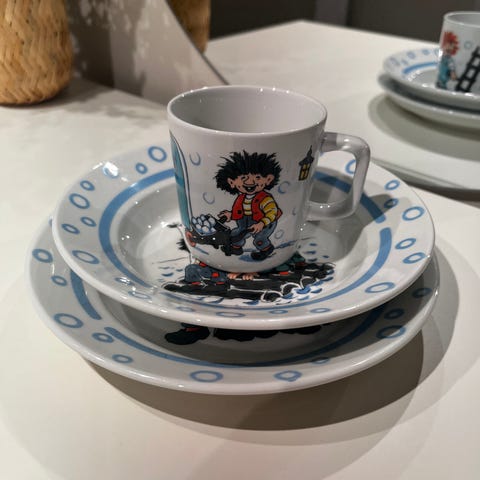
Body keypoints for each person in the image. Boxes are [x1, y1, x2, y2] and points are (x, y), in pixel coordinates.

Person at [215, 150, 282, 260]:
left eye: (257, 177)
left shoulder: (265, 199)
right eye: (243, 178)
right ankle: (236, 248)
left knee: (259, 238)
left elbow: (272, 212)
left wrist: (262, 223)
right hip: (245, 222)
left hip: (266, 222)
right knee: (236, 233)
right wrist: (230, 215)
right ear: (232, 182)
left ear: (268, 179)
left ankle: (266, 249)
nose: (250, 182)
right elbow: (240, 211)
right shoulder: (241, 198)